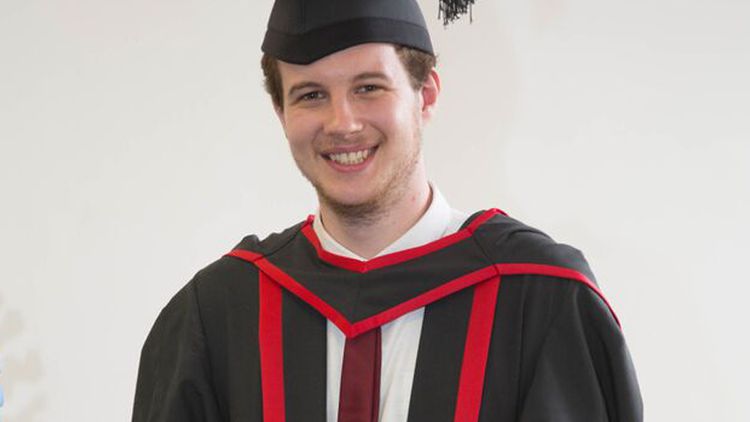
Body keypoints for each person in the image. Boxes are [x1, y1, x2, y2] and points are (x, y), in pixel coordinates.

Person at [132, 0, 643, 421]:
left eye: (368, 87)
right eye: (311, 95)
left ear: (426, 95)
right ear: (281, 113)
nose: (343, 123)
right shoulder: (216, 318)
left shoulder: (542, 301)